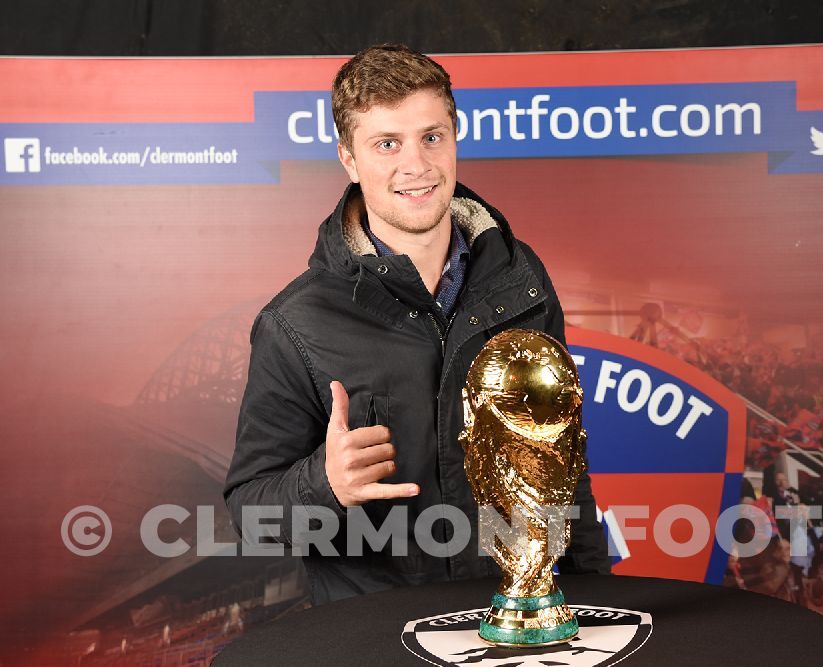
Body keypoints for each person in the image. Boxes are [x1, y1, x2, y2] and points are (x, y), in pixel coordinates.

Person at [223, 44, 610, 605]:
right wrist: (325, 485)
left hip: (516, 620)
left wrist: (597, 595)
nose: (417, 165)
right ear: (349, 160)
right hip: (375, 632)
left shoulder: (521, 281)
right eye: (387, 143)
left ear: (455, 137)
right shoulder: (296, 323)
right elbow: (249, 511)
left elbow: (562, 463)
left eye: (432, 137)